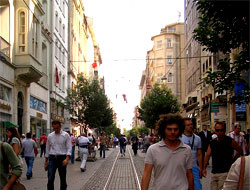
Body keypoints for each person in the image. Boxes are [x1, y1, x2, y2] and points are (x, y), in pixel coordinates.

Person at [141, 113, 194, 190]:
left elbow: (189, 174)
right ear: (163, 130)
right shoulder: (153, 150)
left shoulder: (186, 150)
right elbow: (147, 174)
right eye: (169, 129)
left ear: (180, 130)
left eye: (175, 129)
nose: (173, 132)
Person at [202, 122, 243, 190]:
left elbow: (240, 150)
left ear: (224, 130)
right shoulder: (212, 142)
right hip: (214, 172)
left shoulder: (229, 141)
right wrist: (204, 168)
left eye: (222, 130)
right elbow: (207, 155)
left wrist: (233, 159)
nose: (220, 132)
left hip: (225, 172)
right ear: (215, 130)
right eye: (217, 130)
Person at [44, 120, 71, 190]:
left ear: (60, 126)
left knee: (62, 178)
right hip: (52, 158)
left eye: (57, 128)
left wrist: (67, 159)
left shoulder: (65, 135)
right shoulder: (50, 136)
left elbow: (69, 148)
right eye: (54, 128)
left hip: (62, 158)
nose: (55, 130)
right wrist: (46, 162)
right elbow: (47, 149)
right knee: (50, 178)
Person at [181, 118, 203, 190]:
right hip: (181, 168)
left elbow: (199, 154)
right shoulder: (179, 138)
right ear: (184, 126)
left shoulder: (198, 138)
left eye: (191, 124)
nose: (190, 126)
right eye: (188, 125)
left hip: (194, 167)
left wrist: (201, 168)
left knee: (197, 187)